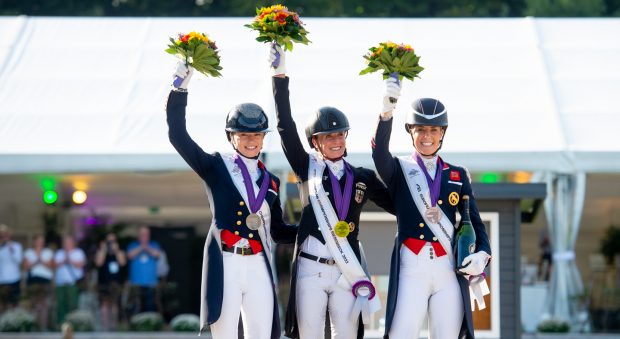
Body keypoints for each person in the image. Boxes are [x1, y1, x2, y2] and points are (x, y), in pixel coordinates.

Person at [269, 45, 394, 339]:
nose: (336, 141)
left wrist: (387, 113)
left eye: (339, 134)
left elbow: (398, 204)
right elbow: (285, 127)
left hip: (345, 270)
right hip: (311, 269)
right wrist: (279, 75)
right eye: (328, 136)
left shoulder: (362, 177)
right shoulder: (306, 168)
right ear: (315, 142)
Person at [167, 61, 297, 339]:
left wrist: (311, 228)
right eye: (244, 135)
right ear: (231, 137)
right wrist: (179, 88)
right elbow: (178, 136)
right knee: (224, 334)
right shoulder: (215, 166)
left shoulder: (271, 181)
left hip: (259, 262)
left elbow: (278, 231)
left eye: (257, 135)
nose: (251, 141)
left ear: (263, 139)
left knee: (261, 334)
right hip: (227, 261)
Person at [371, 78, 492, 339]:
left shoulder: (458, 175)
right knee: (401, 334)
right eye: (421, 130)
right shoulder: (399, 170)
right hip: (411, 267)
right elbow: (379, 155)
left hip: (446, 268)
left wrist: (482, 253)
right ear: (411, 132)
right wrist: (386, 110)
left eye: (434, 130)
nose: (427, 136)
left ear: (443, 133)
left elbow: (476, 223)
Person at [95, 232, 126, 331]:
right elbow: (98, 263)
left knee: (114, 304)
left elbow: (122, 263)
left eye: (113, 241)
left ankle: (113, 326)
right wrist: (104, 250)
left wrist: (116, 251)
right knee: (104, 304)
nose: (111, 243)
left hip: (115, 282)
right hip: (104, 282)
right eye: (109, 241)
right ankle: (104, 326)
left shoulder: (119, 252)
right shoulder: (101, 252)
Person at [23, 234, 54, 330]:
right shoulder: (29, 252)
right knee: (33, 304)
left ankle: (43, 326)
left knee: (44, 304)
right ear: (34, 241)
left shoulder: (48, 252)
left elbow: (51, 265)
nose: (40, 243)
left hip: (45, 280)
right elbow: (25, 266)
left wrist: (40, 260)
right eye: (38, 240)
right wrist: (38, 261)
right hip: (33, 281)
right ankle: (33, 326)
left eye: (42, 241)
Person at [126, 226, 160, 314]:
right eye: (142, 234)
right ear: (138, 235)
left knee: (150, 307)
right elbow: (130, 255)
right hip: (136, 283)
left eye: (146, 234)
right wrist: (141, 247)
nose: (144, 236)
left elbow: (156, 255)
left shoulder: (154, 245)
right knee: (136, 308)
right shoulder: (132, 245)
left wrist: (147, 247)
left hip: (151, 282)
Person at [54, 235, 86, 326]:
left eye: (68, 242)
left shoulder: (78, 252)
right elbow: (54, 264)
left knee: (73, 303)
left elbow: (80, 264)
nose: (66, 244)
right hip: (60, 283)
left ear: (73, 243)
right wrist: (64, 259)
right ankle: (61, 324)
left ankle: (74, 323)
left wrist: (69, 260)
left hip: (73, 283)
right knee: (61, 304)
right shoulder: (59, 253)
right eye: (65, 242)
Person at [0, 224, 23, 315]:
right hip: (1, 280)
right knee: (2, 304)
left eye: (5, 234)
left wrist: (10, 247)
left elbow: (18, 260)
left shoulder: (16, 246)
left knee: (14, 303)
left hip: (14, 279)